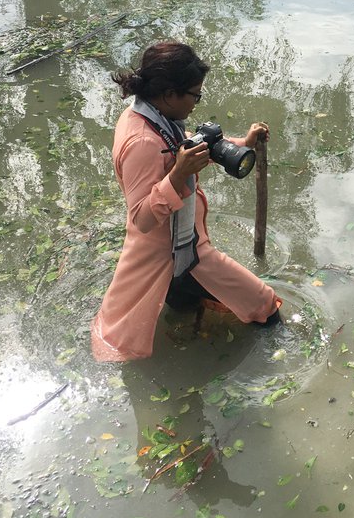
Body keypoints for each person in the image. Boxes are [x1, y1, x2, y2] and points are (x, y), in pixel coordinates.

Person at [91, 41, 282, 362]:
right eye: (194, 94)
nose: (197, 103)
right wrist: (178, 175)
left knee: (178, 305)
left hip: (177, 245)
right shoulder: (142, 142)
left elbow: (189, 145)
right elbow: (141, 217)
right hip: (178, 250)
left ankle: (185, 325)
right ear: (169, 95)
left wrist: (240, 143)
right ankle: (277, 359)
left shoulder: (151, 115)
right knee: (264, 305)